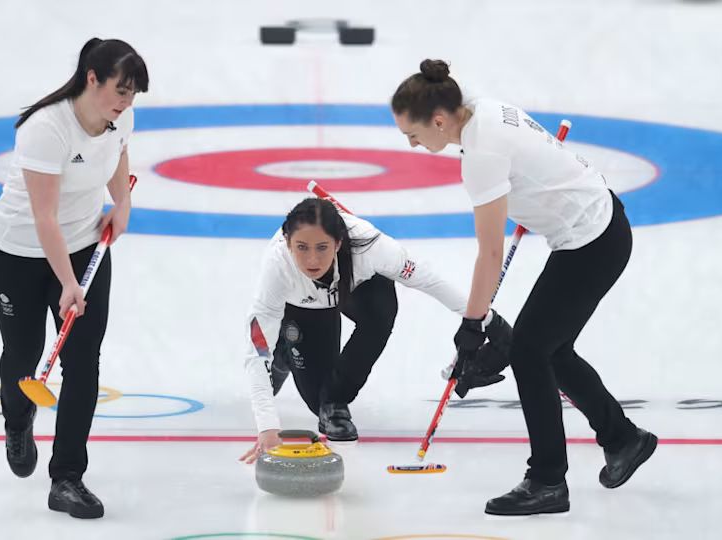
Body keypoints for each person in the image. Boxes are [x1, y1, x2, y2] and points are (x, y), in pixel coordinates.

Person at [390, 59, 657, 516]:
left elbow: (490, 253)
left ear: (438, 121)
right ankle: (623, 439)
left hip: (592, 241)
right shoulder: (472, 106)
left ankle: (548, 481)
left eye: (412, 134)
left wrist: (472, 327)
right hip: (599, 227)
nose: (412, 144)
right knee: (551, 350)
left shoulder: (482, 155)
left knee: (530, 351)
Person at [0, 37, 148, 519]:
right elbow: (44, 218)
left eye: (133, 94)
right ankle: (17, 419)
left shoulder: (119, 116)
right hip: (17, 254)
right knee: (23, 354)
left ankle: (67, 477)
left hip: (84, 245)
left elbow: (117, 154)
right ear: (92, 79)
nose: (126, 102)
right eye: (120, 90)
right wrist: (69, 283)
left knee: (82, 362)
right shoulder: (46, 129)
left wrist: (122, 203)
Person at [239, 197, 511, 463]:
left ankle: (335, 402)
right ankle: (285, 355)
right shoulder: (277, 266)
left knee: (381, 308)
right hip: (303, 304)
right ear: (288, 243)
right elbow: (257, 349)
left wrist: (487, 319)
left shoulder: (372, 247)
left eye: (322, 247)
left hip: (356, 289)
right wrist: (267, 427)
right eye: (301, 247)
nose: (312, 259)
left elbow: (427, 280)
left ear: (338, 242)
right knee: (313, 399)